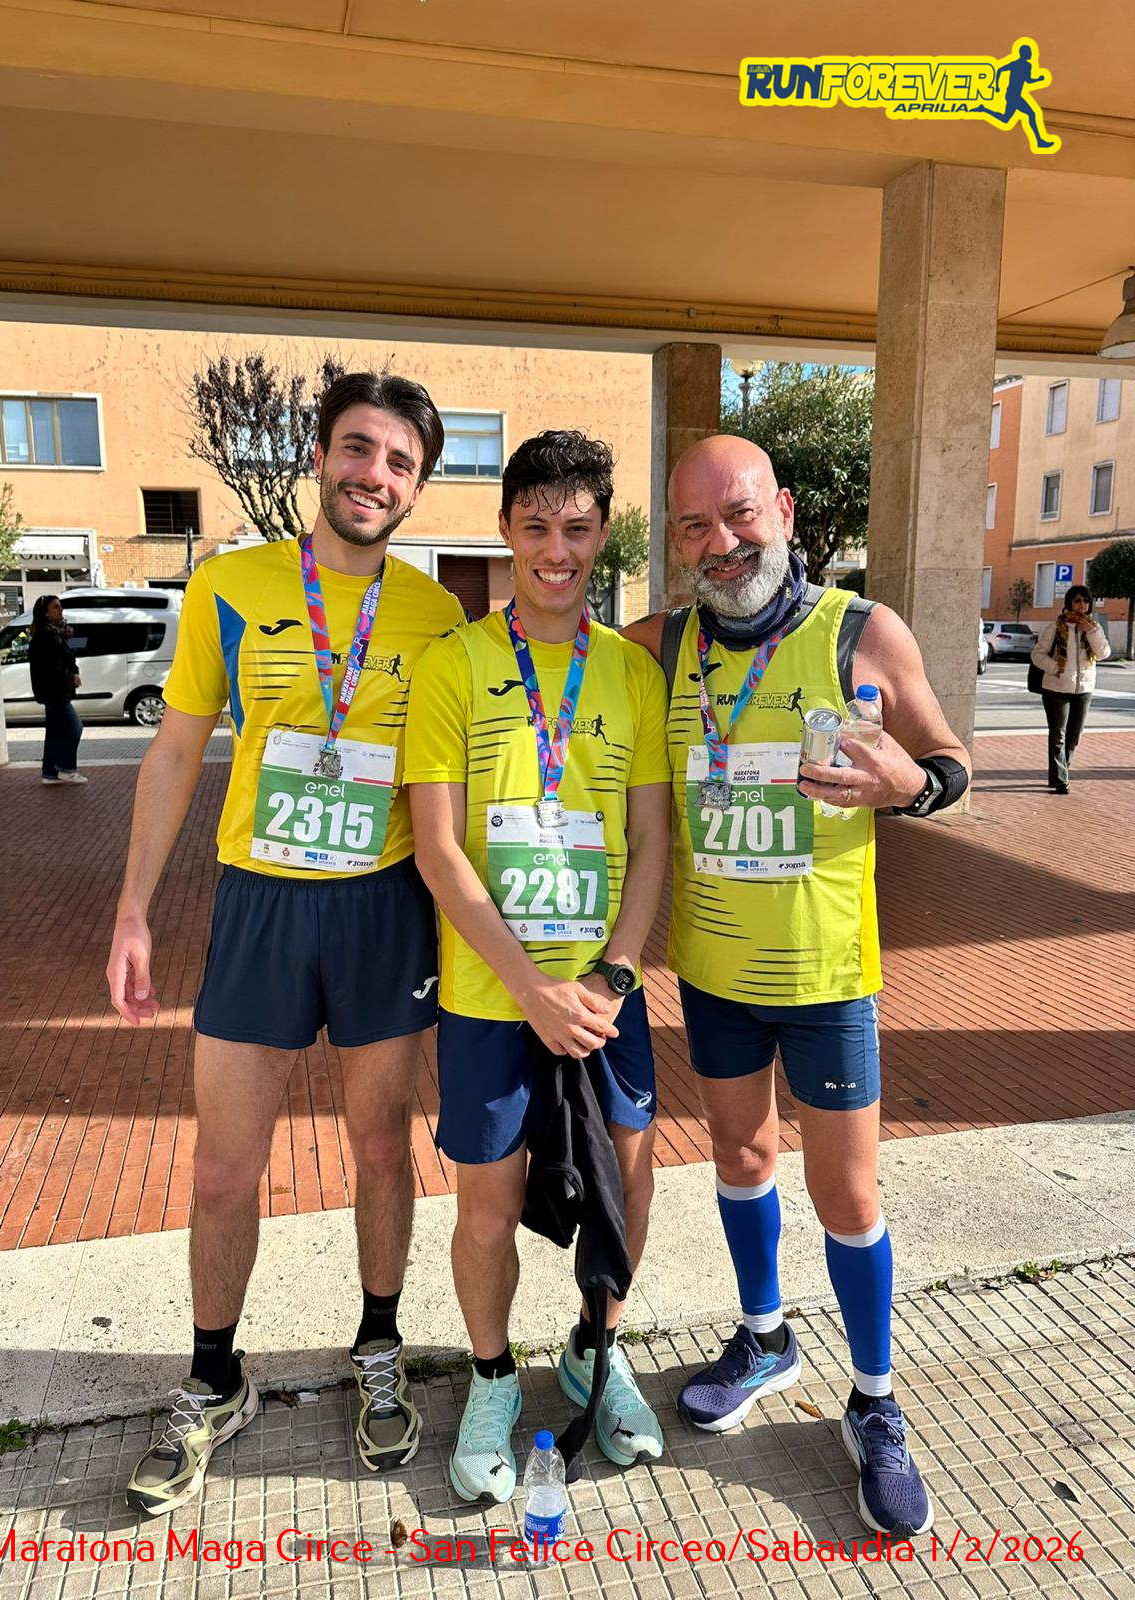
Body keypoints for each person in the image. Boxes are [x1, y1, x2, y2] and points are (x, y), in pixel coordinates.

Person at [106, 371, 464, 1514]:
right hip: (260, 905)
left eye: (400, 462)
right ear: (319, 456)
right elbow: (175, 749)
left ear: (418, 486)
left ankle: (378, 1347)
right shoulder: (229, 585)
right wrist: (132, 908)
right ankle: (215, 1378)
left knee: (380, 1149)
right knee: (223, 1165)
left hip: (383, 909)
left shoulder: (438, 616)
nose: (375, 475)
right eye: (359, 448)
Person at [624, 434, 971, 1540]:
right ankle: (768, 1337)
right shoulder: (660, 646)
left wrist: (911, 785)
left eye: (738, 515)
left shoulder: (862, 632)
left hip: (826, 977)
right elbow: (550, 658)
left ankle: (875, 1400)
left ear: (781, 509)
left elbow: (951, 763)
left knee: (848, 1197)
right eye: (693, 526)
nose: (720, 543)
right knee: (738, 1158)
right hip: (714, 974)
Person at [406, 431, 671, 1505]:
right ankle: (489, 1379)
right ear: (506, 531)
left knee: (628, 1183)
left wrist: (613, 976)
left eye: (577, 528)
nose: (556, 550)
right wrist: (529, 989)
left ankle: (596, 1352)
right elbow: (438, 849)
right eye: (536, 527)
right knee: (485, 1204)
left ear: (603, 533)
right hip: (491, 995)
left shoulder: (632, 671)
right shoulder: (454, 665)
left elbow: (650, 839)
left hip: (606, 994)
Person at [1030, 584, 1111, 794]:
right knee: (1058, 734)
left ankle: (1061, 771)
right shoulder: (1055, 627)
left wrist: (1091, 631)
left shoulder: (1094, 628)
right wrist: (1055, 668)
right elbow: (1037, 654)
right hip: (1056, 688)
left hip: (1083, 689)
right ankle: (1060, 780)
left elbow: (1103, 654)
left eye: (1085, 600)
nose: (1082, 604)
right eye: (1077, 600)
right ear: (1069, 603)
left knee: (1074, 737)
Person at [29, 595, 86, 785]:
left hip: (54, 690)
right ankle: (66, 768)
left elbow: (67, 658)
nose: (60, 610)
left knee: (55, 732)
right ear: (46, 612)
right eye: (55, 607)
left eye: (60, 607)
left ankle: (49, 772)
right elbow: (51, 665)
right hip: (54, 691)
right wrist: (70, 676)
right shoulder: (45, 636)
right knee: (74, 726)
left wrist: (73, 671)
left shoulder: (55, 633)